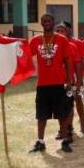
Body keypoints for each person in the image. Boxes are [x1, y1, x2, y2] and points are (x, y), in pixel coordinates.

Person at [28, 13, 74, 153]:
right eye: (44, 21)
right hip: (42, 83)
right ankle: (40, 141)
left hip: (59, 82)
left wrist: (69, 80)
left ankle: (65, 140)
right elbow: (24, 56)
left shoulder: (62, 39)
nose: (46, 23)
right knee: (41, 115)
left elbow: (67, 60)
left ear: (53, 22)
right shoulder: (35, 40)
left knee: (62, 114)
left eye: (49, 20)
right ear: (41, 23)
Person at [54, 22, 84, 138]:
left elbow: (80, 62)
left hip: (71, 80)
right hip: (58, 81)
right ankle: (64, 128)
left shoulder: (75, 44)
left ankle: (81, 124)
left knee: (76, 101)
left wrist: (80, 79)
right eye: (57, 30)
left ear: (68, 31)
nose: (60, 33)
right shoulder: (53, 45)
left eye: (63, 30)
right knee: (61, 106)